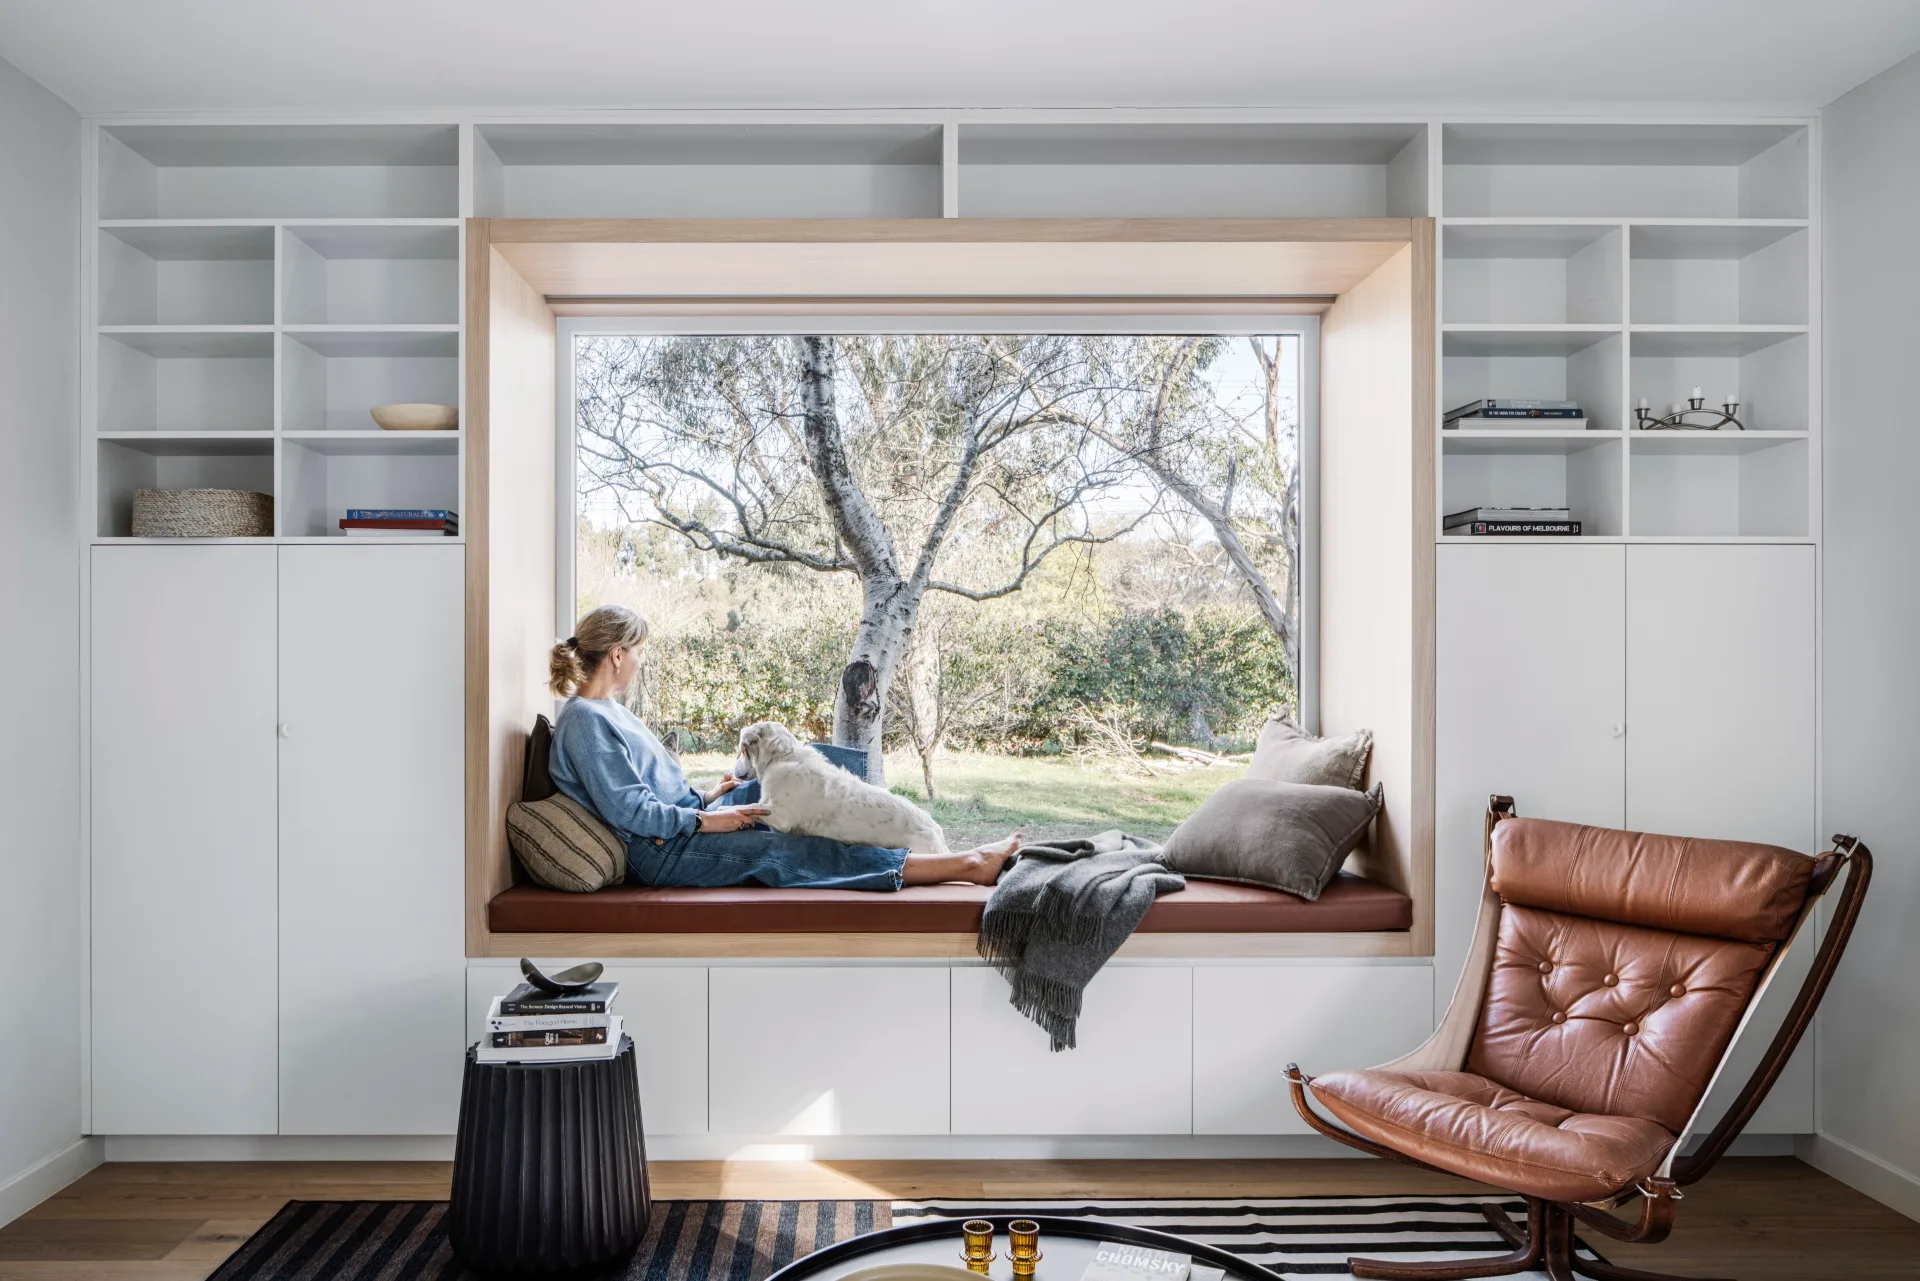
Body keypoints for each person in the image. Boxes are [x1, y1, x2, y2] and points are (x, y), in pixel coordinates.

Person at [546, 604, 1020, 890]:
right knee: (791, 850)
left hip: (683, 823)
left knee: (812, 774)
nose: (639, 663)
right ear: (616, 655)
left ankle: (911, 835)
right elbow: (633, 812)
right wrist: (710, 820)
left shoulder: (609, 710)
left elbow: (650, 791)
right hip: (662, 853)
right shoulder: (585, 721)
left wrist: (711, 796)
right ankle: (964, 865)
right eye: (640, 653)